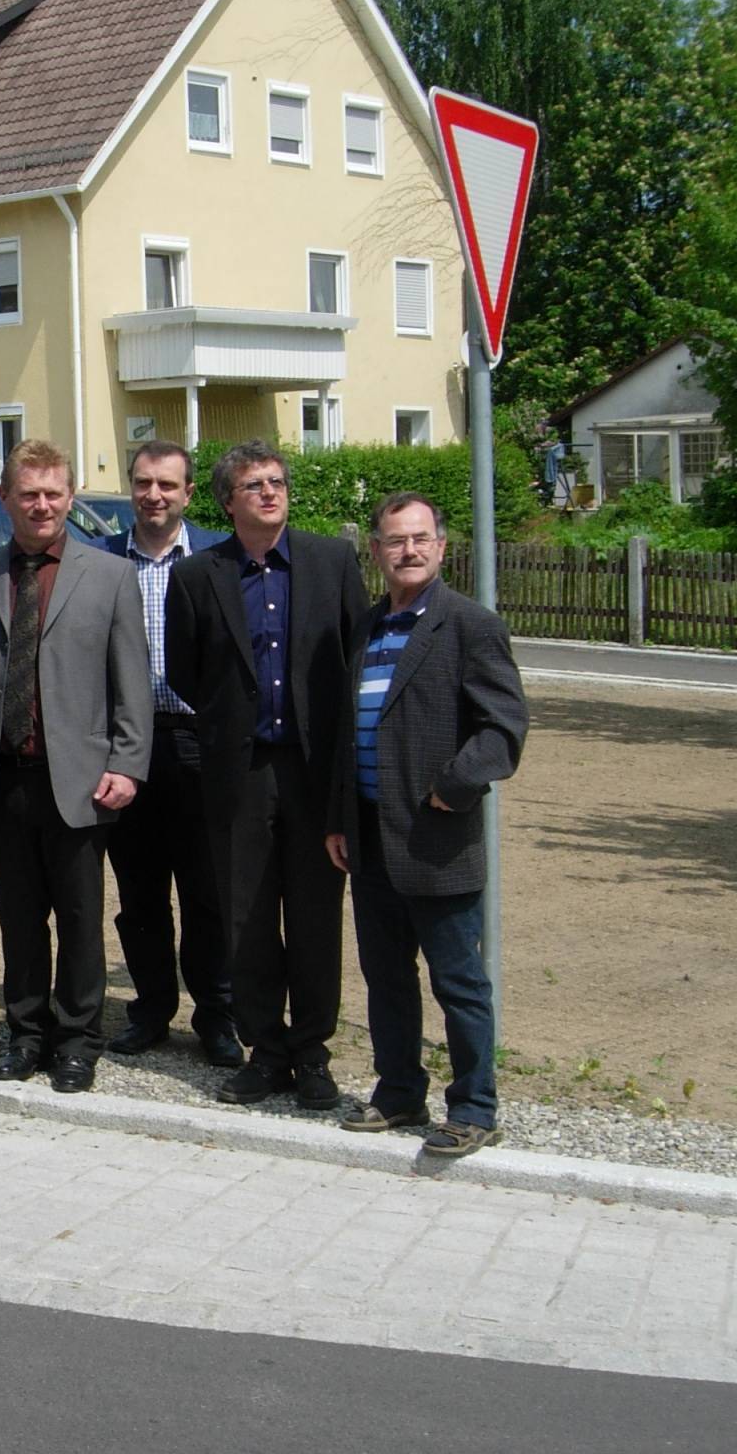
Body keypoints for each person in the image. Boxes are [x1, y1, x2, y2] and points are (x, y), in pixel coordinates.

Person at [166, 440, 367, 1110]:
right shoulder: (199, 575)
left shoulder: (331, 563)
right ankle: (265, 1050)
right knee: (246, 916)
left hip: (313, 773)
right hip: (239, 771)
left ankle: (312, 1054)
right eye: (255, 484)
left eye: (278, 481)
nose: (271, 493)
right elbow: (185, 672)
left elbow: (353, 660)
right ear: (228, 500)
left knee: (314, 918)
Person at [327, 492, 528, 1156]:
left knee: (458, 983)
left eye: (419, 539)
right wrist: (338, 819)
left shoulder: (471, 625)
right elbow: (344, 735)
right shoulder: (363, 628)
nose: (407, 550)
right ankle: (399, 1092)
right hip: (371, 841)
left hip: (437, 842)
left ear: (442, 547)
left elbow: (503, 730)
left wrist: (454, 787)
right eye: (394, 540)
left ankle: (474, 1106)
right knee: (386, 979)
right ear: (377, 552)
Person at [0, 440, 150, 1093]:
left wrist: (129, 763)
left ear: (70, 496)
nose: (42, 505)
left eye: (53, 493)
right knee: (19, 915)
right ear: (6, 499)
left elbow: (133, 682)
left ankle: (78, 1039)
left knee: (79, 916)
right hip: (5, 779)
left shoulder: (107, 575)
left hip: (80, 779)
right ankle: (25, 1033)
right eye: (29, 494)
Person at [102, 441, 239, 1068]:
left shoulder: (219, 558)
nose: (153, 494)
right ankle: (152, 1009)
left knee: (208, 891)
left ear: (188, 494)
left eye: (167, 484)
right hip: (125, 746)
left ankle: (217, 1014)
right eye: (142, 482)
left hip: (198, 743)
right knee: (140, 892)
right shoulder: (101, 561)